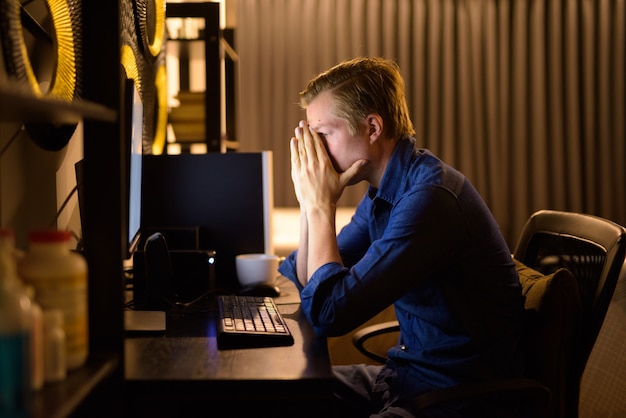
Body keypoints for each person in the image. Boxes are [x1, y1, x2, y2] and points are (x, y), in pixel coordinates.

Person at [278, 56, 526, 417]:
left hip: (457, 396)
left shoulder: (429, 198)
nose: (315, 152)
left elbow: (331, 312)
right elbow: (309, 281)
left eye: (324, 135)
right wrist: (308, 199)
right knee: (283, 395)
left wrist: (321, 206)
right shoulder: (384, 191)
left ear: (372, 128)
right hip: (405, 378)